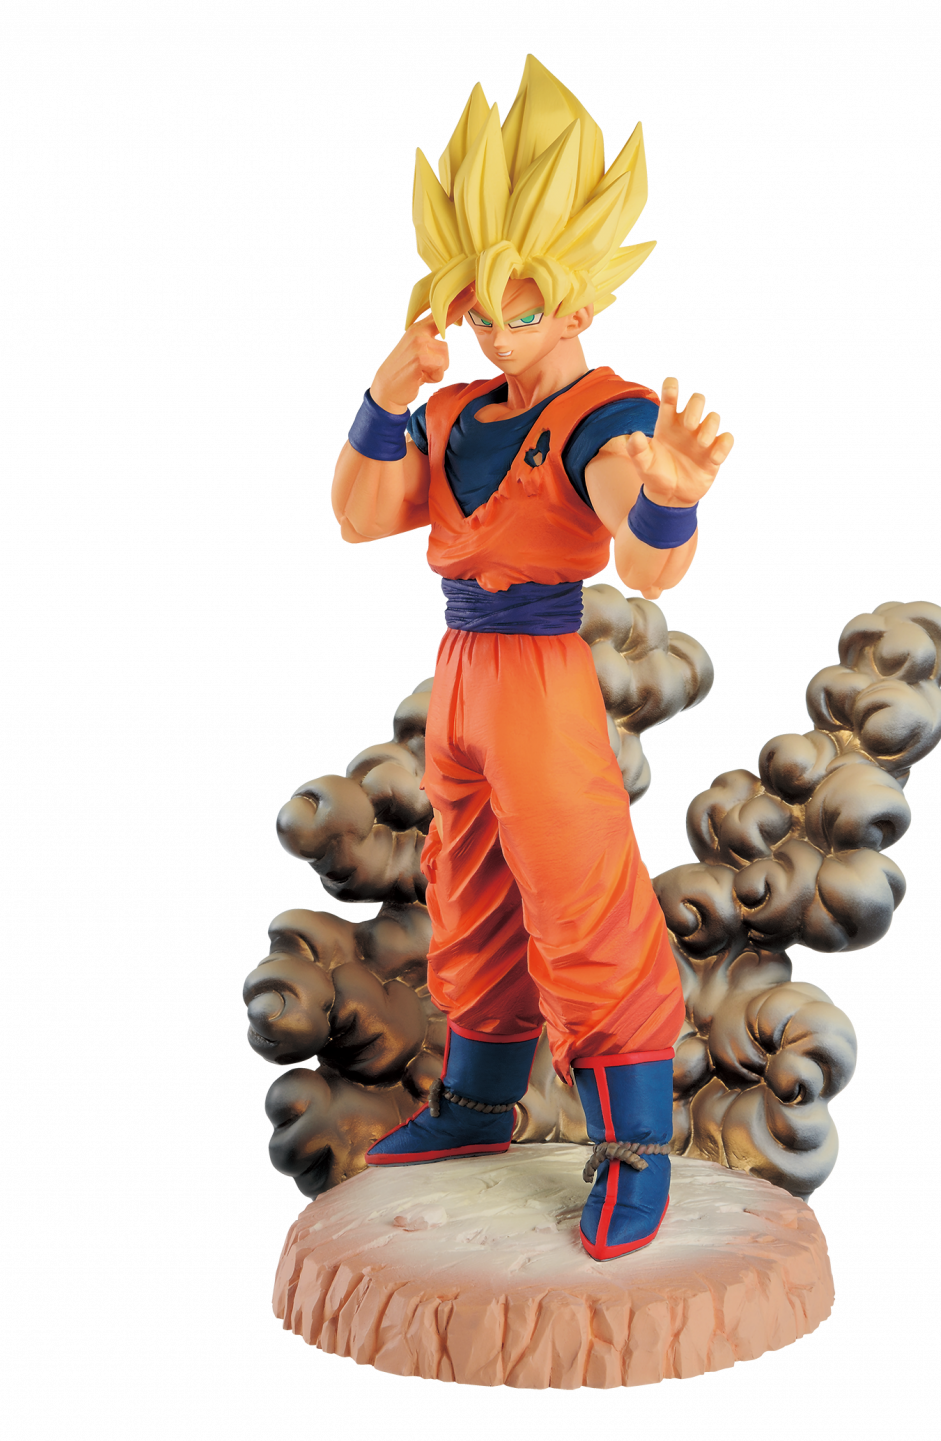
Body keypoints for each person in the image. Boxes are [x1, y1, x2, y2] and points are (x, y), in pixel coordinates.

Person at [329, 55, 734, 1261]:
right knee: (468, 884)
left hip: (540, 674)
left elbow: (644, 558)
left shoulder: (606, 414)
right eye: (477, 306)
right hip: (459, 667)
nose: (492, 327)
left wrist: (669, 498)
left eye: (518, 304)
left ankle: (635, 1139)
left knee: (578, 887)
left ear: (575, 301)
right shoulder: (457, 409)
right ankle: (479, 1096)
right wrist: (387, 390)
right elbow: (358, 512)